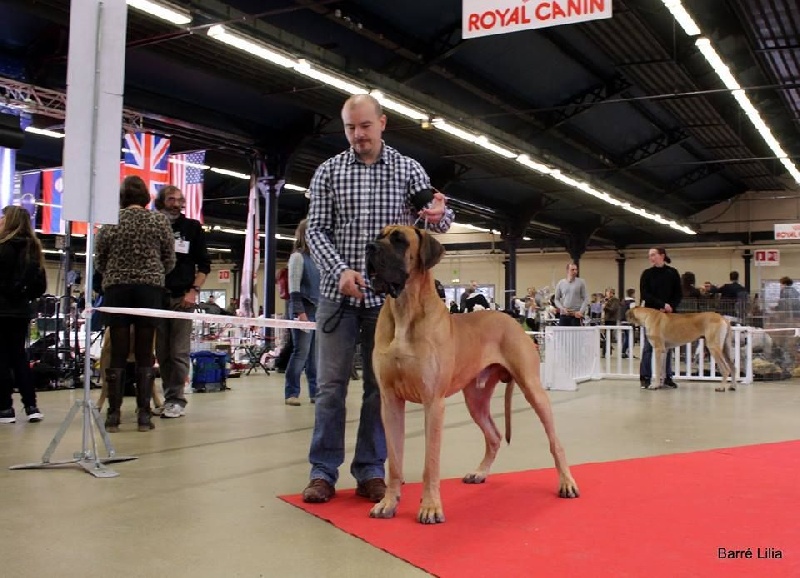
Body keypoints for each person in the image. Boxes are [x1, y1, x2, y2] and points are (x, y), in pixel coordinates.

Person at [302, 93, 454, 504]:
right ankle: (322, 472)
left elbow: (437, 218)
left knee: (378, 390)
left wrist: (441, 213)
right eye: (350, 128)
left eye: (365, 126)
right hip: (339, 294)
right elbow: (315, 231)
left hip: (389, 303)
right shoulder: (328, 172)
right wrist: (340, 271)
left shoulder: (408, 169)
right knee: (330, 387)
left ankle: (371, 471)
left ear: (382, 123)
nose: (358, 135)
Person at [95, 176, 175, 432]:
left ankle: (113, 415)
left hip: (117, 290)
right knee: (144, 352)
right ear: (146, 197)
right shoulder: (159, 221)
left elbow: (100, 260)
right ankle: (143, 415)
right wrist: (154, 274)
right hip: (149, 290)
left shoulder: (110, 221)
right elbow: (169, 258)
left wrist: (115, 273)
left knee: (117, 352)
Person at [154, 185, 211, 419]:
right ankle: (168, 397)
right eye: (171, 199)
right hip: (156, 296)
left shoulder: (192, 228)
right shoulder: (153, 225)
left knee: (178, 352)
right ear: (161, 202)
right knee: (162, 353)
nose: (176, 204)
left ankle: (177, 399)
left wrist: (193, 291)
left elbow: (204, 265)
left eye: (179, 200)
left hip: (182, 298)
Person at [0, 206, 45, 424]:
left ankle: (5, 407)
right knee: (19, 357)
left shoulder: (2, 248)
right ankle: (31, 405)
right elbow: (41, 285)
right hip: (21, 312)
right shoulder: (34, 249)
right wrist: (24, 295)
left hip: (2, 310)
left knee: (1, 358)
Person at [284, 219, 320, 406]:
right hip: (303, 310)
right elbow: (294, 287)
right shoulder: (297, 257)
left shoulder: (319, 259)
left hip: (318, 311)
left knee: (314, 356)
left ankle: (315, 393)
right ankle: (292, 392)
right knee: (301, 354)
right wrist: (300, 312)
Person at [639, 247, 682, 389]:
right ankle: (645, 377)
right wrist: (661, 304)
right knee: (648, 347)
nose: (651, 258)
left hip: (669, 314)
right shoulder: (647, 274)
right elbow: (645, 294)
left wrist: (671, 306)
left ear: (662, 256)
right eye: (649, 255)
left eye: (653, 255)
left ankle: (667, 376)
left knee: (668, 345)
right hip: (652, 315)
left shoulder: (673, 272)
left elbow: (678, 293)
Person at [553, 262, 588, 326]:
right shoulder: (561, 283)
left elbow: (585, 298)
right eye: (572, 270)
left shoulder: (581, 282)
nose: (575, 271)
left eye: (576, 269)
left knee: (576, 335)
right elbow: (556, 299)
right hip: (564, 315)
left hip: (576, 315)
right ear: (567, 271)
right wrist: (562, 308)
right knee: (562, 335)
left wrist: (581, 312)